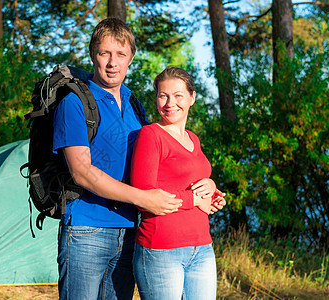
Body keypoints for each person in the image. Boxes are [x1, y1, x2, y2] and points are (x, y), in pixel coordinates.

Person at [53, 18, 225, 300]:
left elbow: (163, 164)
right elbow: (81, 172)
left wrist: (207, 184)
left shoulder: (134, 104)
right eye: (104, 53)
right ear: (92, 54)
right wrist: (141, 198)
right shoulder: (74, 103)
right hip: (87, 230)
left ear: (130, 58)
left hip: (132, 230)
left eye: (120, 54)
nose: (112, 63)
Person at [130, 66, 223, 299]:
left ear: (192, 97)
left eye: (178, 95)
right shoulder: (151, 135)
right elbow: (143, 195)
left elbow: (191, 179)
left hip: (202, 248)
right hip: (161, 249)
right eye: (163, 95)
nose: (170, 103)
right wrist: (195, 200)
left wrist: (211, 189)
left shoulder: (193, 138)